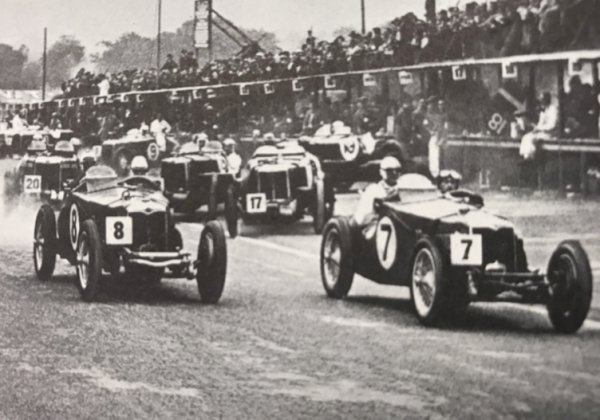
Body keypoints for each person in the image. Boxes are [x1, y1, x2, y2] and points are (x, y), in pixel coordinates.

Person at [353, 156, 403, 228]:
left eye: (398, 170)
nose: (394, 173)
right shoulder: (373, 190)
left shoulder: (405, 187)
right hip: (378, 227)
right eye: (389, 170)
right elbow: (362, 218)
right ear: (381, 172)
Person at [519, 92, 559, 160]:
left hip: (552, 134)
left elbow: (552, 125)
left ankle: (529, 157)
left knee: (530, 138)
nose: (541, 103)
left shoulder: (554, 110)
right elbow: (540, 123)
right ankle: (526, 156)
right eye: (541, 101)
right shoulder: (544, 110)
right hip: (543, 132)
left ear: (547, 100)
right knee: (526, 137)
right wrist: (536, 128)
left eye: (542, 100)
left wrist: (539, 129)